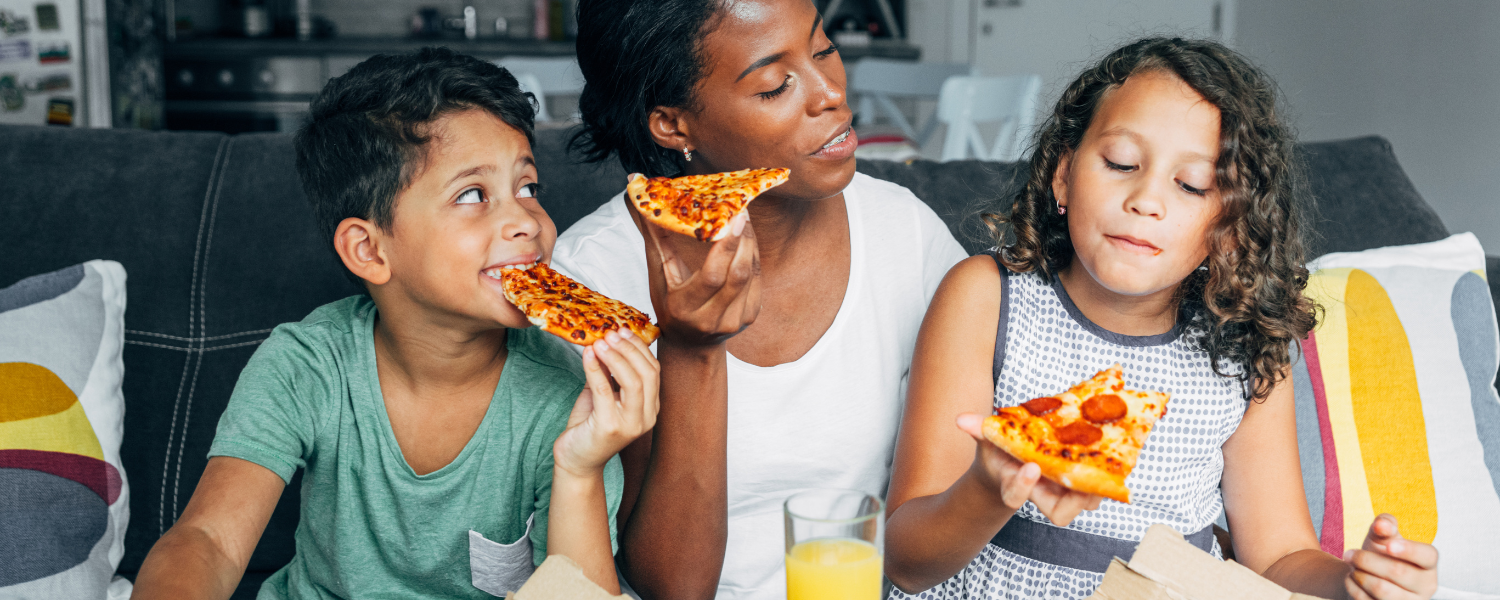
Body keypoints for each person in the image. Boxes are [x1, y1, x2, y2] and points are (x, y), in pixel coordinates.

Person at [882, 37, 1440, 600]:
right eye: (1121, 163)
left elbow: (1278, 557)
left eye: (1192, 185)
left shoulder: (1242, 349)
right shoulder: (988, 298)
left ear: (1231, 222)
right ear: (1063, 175)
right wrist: (990, 486)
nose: (1147, 199)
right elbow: (907, 561)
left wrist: (1354, 582)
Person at [130, 48, 659, 599]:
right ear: (369, 250)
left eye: (527, 188)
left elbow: (580, 590)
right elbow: (209, 540)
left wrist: (579, 465)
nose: (526, 220)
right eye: (474, 195)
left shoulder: (564, 395)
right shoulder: (308, 365)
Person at [551, 1, 969, 598]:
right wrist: (693, 349)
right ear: (673, 125)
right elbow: (671, 587)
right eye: (776, 86)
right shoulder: (588, 278)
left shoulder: (906, 233)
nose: (830, 94)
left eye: (824, 50)